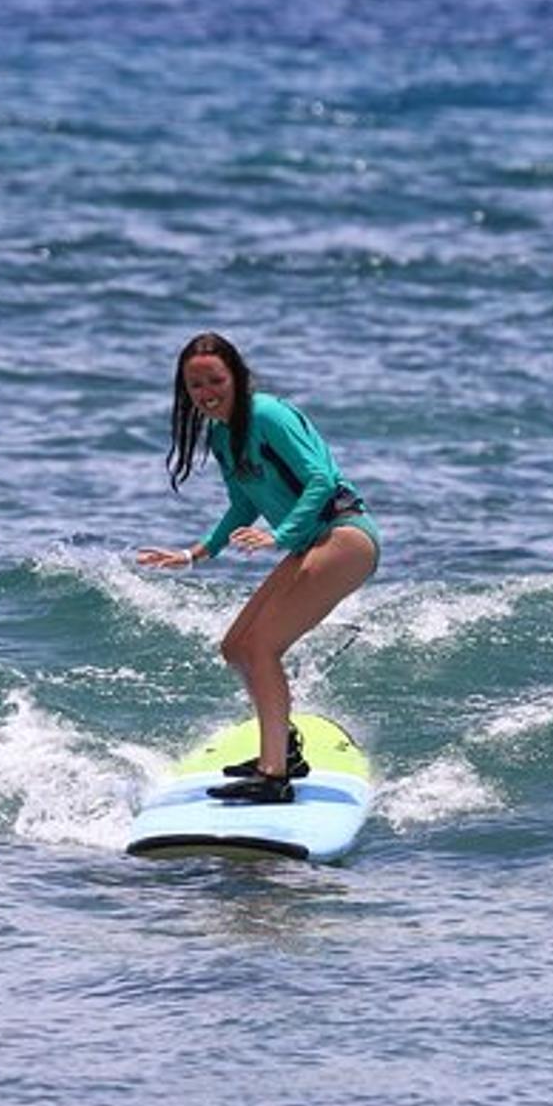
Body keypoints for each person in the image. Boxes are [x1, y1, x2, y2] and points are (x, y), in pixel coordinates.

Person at [137, 332, 379, 804]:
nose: (206, 392)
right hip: (312, 541)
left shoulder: (268, 414)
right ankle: (282, 749)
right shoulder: (223, 435)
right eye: (195, 385)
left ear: (237, 378)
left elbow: (320, 479)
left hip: (346, 535)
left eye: (215, 380)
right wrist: (195, 553)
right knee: (236, 648)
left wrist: (280, 535)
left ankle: (274, 777)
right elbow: (243, 504)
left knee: (263, 646)